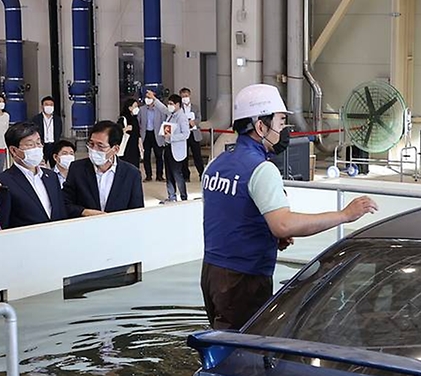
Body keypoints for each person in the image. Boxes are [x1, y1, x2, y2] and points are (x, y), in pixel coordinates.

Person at [201, 83, 378, 330]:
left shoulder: (217, 164)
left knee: (223, 340)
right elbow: (283, 225)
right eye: (281, 122)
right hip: (243, 279)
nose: (285, 130)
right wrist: (344, 215)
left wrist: (269, 236)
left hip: (212, 274)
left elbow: (231, 217)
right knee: (243, 354)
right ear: (260, 126)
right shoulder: (261, 169)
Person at [63, 120, 144, 217]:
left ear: (115, 149)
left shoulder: (131, 174)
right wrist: (84, 212)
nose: (94, 150)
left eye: (100, 146)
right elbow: (65, 203)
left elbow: (137, 212)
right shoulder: (77, 169)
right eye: (91, 144)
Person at [0, 122, 67, 228]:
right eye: (30, 145)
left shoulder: (51, 176)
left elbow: (61, 212)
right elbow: (4, 223)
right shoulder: (3, 183)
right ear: (14, 150)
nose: (36, 148)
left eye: (38, 143)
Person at [162, 94, 191, 203]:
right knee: (169, 173)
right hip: (168, 147)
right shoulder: (171, 115)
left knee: (177, 174)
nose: (169, 106)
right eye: (168, 104)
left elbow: (186, 134)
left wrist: (172, 137)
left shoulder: (181, 117)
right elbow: (162, 108)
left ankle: (183, 196)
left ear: (177, 104)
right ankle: (171, 196)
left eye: (171, 104)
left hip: (176, 149)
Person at [137, 89, 168, 181]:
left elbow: (165, 122)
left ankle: (159, 175)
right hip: (146, 134)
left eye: (149, 97)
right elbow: (138, 122)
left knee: (159, 155)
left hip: (157, 134)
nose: (148, 99)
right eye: (146, 97)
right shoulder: (141, 110)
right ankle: (148, 175)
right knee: (146, 156)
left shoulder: (160, 110)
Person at [179, 87, 205, 181]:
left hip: (194, 134)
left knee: (197, 156)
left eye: (186, 96)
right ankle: (186, 176)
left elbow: (199, 118)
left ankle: (202, 174)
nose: (185, 98)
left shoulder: (195, 107)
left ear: (189, 96)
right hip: (184, 135)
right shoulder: (179, 108)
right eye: (183, 96)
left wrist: (195, 122)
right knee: (184, 157)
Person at [32, 96, 62, 165]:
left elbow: (59, 131)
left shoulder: (57, 119)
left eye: (51, 105)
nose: (49, 106)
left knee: (55, 166)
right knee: (41, 165)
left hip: (54, 145)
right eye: (46, 104)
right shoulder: (36, 119)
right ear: (42, 106)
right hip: (42, 145)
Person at [118, 98, 143, 171]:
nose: (137, 108)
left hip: (135, 148)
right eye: (135, 106)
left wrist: (141, 146)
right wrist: (126, 129)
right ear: (129, 108)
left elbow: (138, 133)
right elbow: (117, 131)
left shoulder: (135, 119)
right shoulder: (123, 119)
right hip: (126, 148)